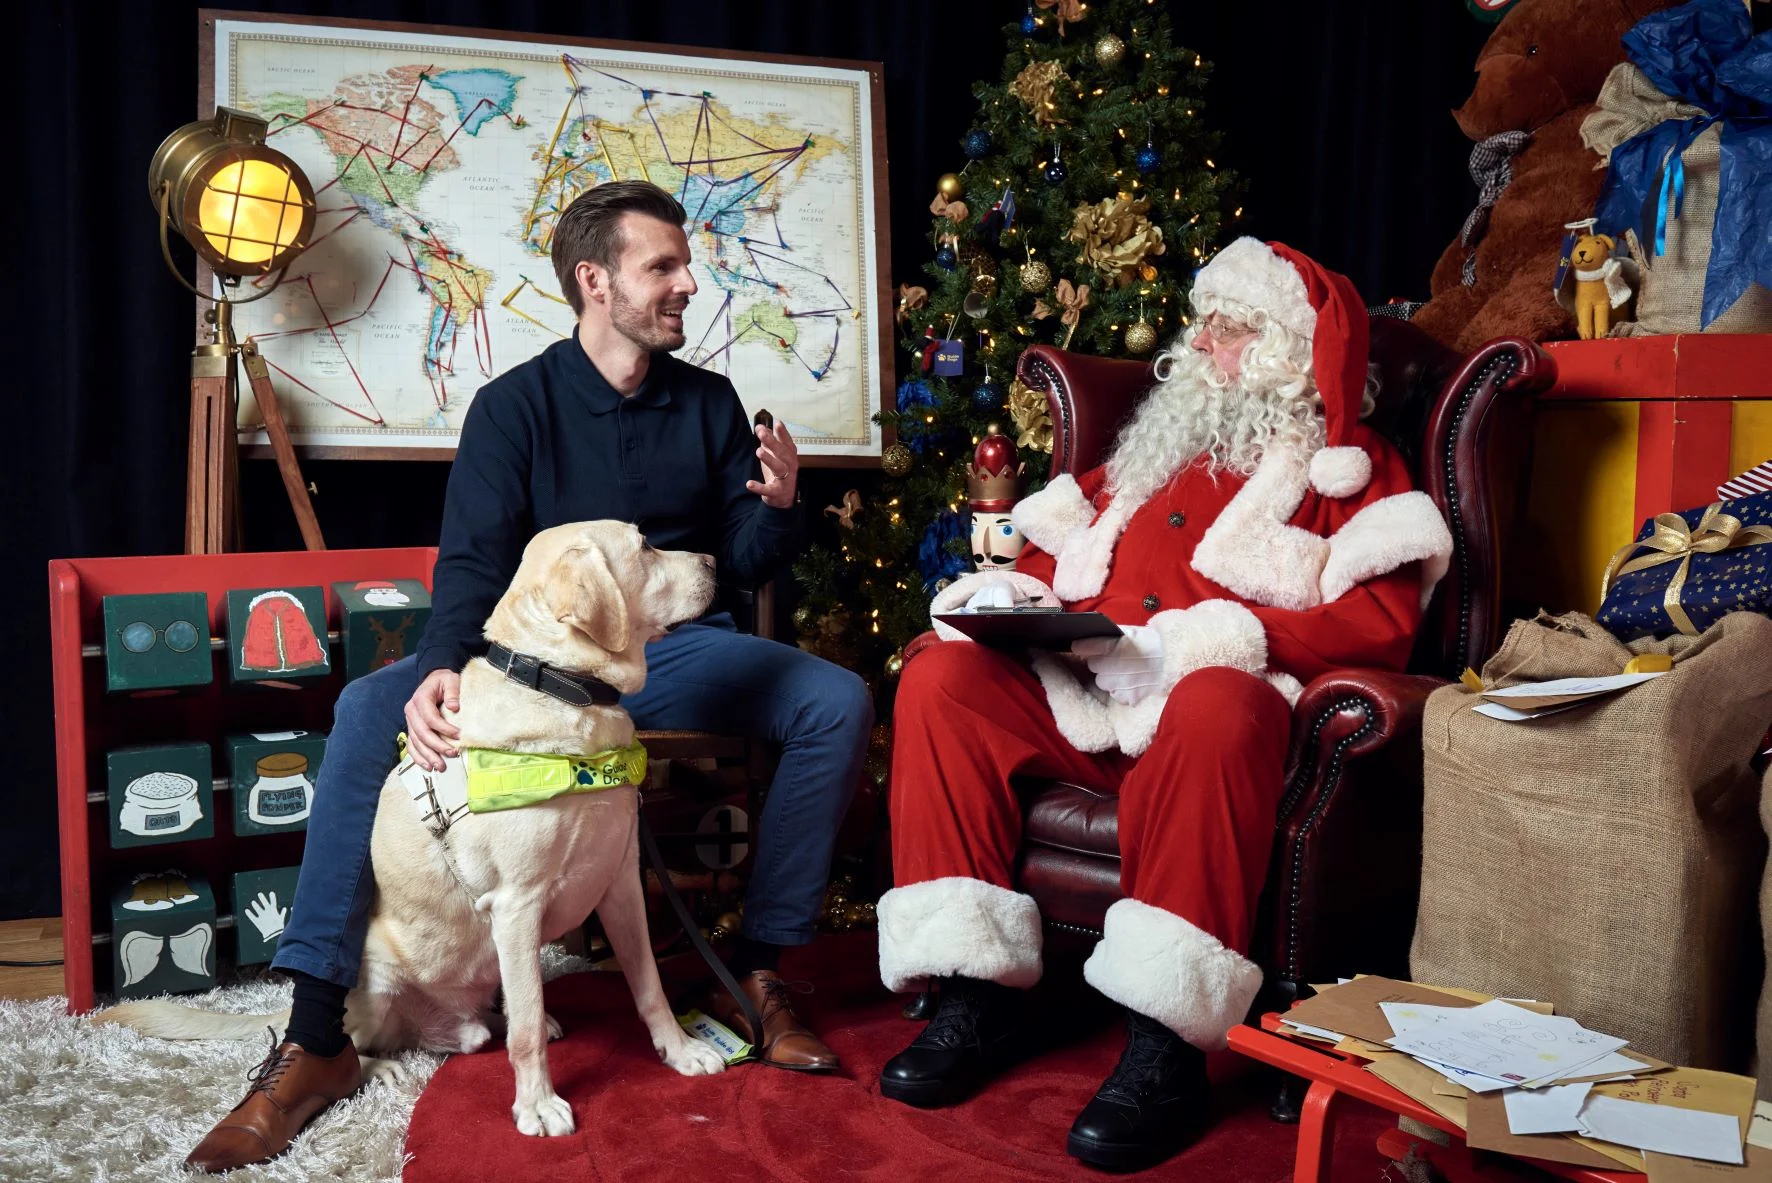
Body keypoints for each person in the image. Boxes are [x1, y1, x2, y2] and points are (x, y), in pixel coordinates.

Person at [186, 180, 873, 1173]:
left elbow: (743, 559)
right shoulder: (514, 407)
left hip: (672, 653)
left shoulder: (709, 401)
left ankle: (753, 972)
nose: (688, 283)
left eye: (685, 264)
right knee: (367, 705)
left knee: (834, 700)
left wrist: (775, 505)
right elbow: (469, 562)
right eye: (663, 266)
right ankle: (314, 1030)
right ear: (595, 282)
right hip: (535, 670)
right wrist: (436, 667)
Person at [874, 239, 1454, 1172]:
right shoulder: (1147, 457)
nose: (1206, 341)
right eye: (1206, 322)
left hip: (1211, 723)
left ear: (1290, 352)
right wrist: (1011, 603)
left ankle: (1165, 1047)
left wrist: (1206, 641)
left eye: (1234, 328)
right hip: (1087, 698)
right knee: (942, 679)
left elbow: (1382, 626)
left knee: (1222, 700)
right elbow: (1041, 564)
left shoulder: (1348, 473)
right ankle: (973, 996)